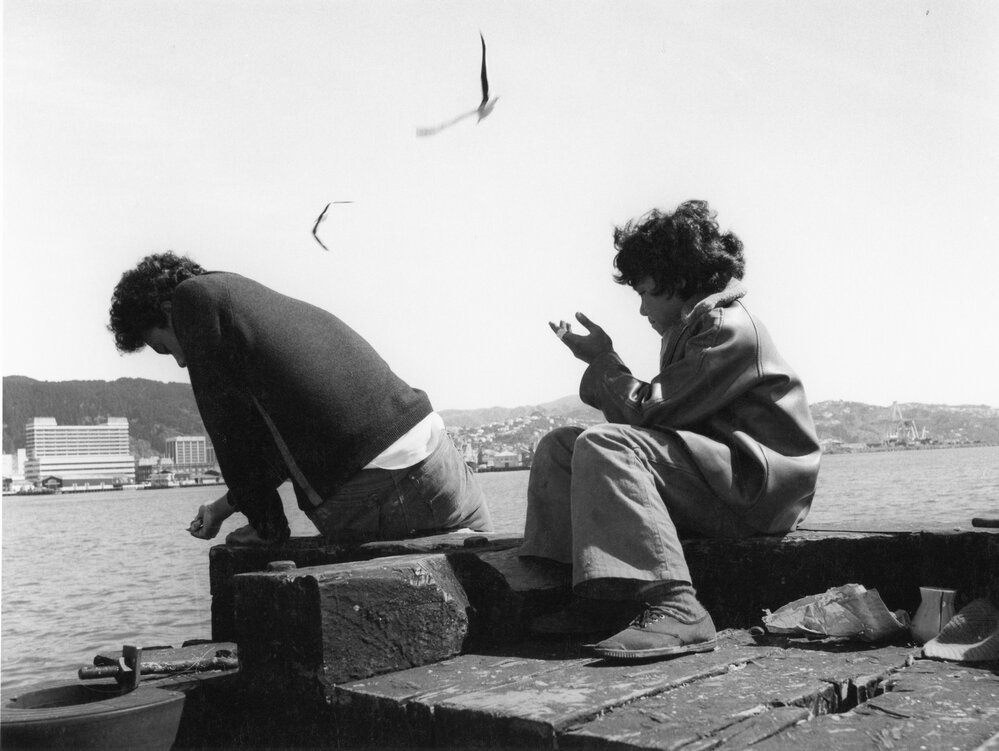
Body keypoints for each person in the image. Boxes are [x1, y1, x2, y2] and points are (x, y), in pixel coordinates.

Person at [520, 200, 820, 661]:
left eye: (645, 293)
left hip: (756, 497)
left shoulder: (725, 328)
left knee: (603, 443)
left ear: (677, 280)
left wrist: (603, 361)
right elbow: (664, 418)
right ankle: (597, 596)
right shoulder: (694, 328)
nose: (641, 309)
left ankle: (680, 608)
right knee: (562, 446)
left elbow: (649, 412)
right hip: (721, 482)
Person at [108, 252, 493, 546]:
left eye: (164, 348)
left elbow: (230, 434)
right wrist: (222, 508)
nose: (180, 361)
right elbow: (296, 445)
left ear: (168, 311)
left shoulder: (192, 301)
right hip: (442, 464)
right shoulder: (240, 297)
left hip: (380, 492)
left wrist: (267, 527)